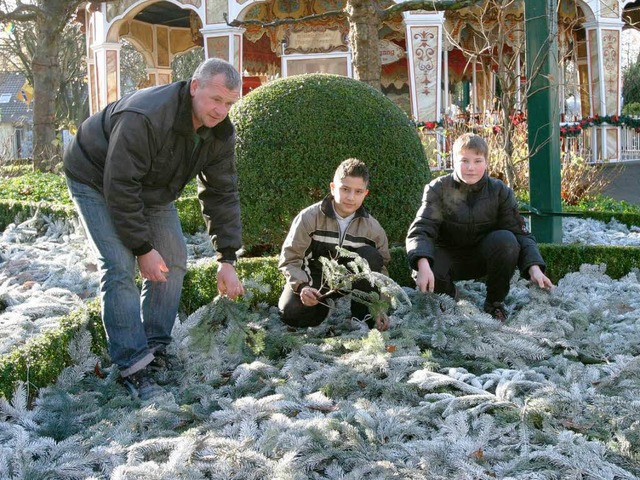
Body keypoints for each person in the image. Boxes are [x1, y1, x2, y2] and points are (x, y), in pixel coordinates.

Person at [63, 58, 245, 400]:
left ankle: (156, 347)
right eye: (216, 99)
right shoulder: (145, 116)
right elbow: (119, 186)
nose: (222, 111)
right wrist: (143, 248)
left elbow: (222, 193)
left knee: (174, 256)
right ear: (195, 86)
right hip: (95, 176)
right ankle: (132, 365)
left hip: (152, 187)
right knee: (119, 265)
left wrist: (227, 257)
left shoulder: (220, 133)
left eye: (229, 103)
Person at [406, 133, 553, 321]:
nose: (471, 168)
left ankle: (494, 304)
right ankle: (450, 302)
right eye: (464, 160)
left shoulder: (500, 192)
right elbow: (421, 230)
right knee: (432, 265)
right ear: (453, 160)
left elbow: (520, 233)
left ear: (486, 162)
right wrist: (422, 265)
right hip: (447, 256)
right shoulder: (438, 188)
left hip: (482, 256)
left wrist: (534, 267)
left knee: (507, 241)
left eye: (477, 161)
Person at [278, 159, 391, 330]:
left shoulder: (373, 229)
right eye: (345, 189)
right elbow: (290, 259)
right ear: (332, 187)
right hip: (314, 281)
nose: (351, 197)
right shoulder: (309, 217)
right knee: (290, 312)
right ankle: (326, 308)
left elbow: (381, 273)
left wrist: (380, 307)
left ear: (365, 193)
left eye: (358, 191)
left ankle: (360, 316)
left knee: (372, 256)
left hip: (351, 281)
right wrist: (302, 287)